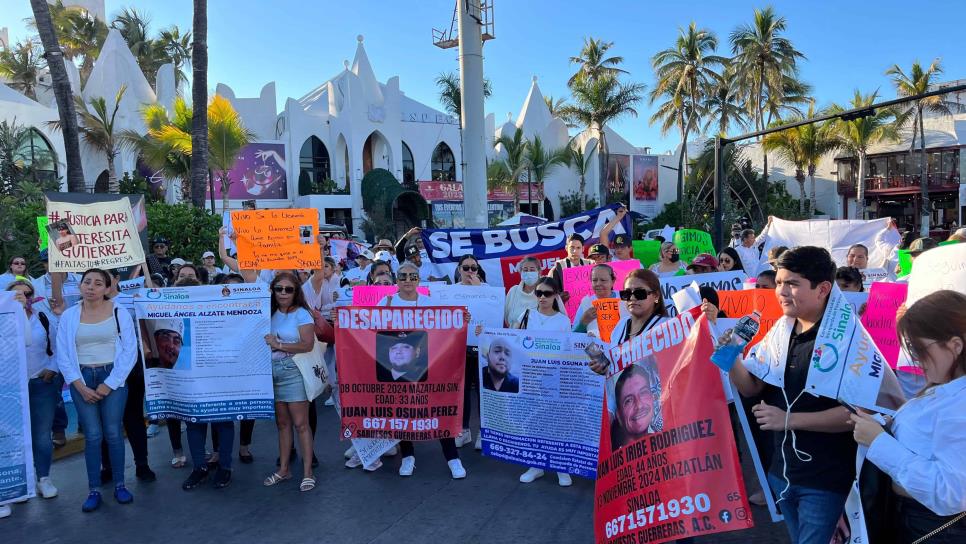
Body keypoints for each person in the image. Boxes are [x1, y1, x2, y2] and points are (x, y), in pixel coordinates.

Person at [725, 247, 856, 544]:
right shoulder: (780, 331)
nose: (781, 292)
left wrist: (789, 419)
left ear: (823, 289)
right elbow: (751, 388)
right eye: (780, 282)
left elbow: (857, 414)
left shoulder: (848, 337)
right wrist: (731, 356)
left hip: (825, 480)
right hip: (782, 475)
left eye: (792, 284)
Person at [850, 290, 966, 543]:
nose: (913, 358)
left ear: (955, 345)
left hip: (933, 527)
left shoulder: (960, 405)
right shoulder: (947, 387)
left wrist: (879, 441)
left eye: (918, 347)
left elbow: (951, 493)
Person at [55, 268, 138, 512]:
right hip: (81, 379)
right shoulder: (69, 316)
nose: (91, 287)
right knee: (92, 436)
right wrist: (78, 385)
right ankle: (93, 489)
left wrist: (109, 383)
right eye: (87, 282)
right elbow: (63, 354)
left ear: (107, 287)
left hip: (112, 376)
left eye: (98, 283)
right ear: (80, 286)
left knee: (113, 432)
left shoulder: (118, 311)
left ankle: (120, 485)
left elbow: (130, 351)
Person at [378, 262, 466, 480]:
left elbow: (447, 327)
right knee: (403, 412)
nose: (408, 280)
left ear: (418, 280)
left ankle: (453, 458)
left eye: (412, 276)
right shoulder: (386, 302)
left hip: (429, 365)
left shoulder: (430, 302)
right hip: (397, 366)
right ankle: (408, 456)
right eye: (403, 276)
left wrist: (462, 321)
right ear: (396, 279)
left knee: (437, 408)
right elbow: (370, 329)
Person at [514, 276, 573, 487]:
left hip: (554, 378)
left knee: (557, 422)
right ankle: (536, 465)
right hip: (529, 377)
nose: (542, 297)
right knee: (533, 421)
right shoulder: (526, 315)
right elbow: (511, 338)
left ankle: (561, 466)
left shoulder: (563, 321)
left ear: (556, 295)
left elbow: (569, 350)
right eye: (538, 293)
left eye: (547, 293)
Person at [262, 272, 318, 492]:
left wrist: (279, 345)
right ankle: (284, 469)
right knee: (282, 424)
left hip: (293, 371)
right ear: (273, 291)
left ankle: (307, 472)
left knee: (301, 424)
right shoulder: (270, 312)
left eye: (288, 289)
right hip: (272, 372)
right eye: (279, 289)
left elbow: (307, 345)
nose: (283, 293)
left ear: (296, 292)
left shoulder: (302, 314)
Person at [7, 280, 61, 500]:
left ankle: (43, 479)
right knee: (12, 436)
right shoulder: (2, 321)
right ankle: (17, 483)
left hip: (40, 383)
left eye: (26, 294)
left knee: (41, 435)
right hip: (10, 388)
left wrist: (52, 368)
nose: (22, 298)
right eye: (15, 294)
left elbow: (58, 346)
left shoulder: (43, 317)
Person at [452, 254, 487, 449]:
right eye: (466, 268)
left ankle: (483, 432)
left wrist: (477, 290)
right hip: (459, 348)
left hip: (481, 348)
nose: (470, 272)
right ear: (459, 270)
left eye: (474, 268)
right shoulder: (451, 291)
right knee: (462, 391)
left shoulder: (488, 290)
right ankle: (463, 430)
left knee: (482, 391)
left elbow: (493, 313)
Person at [610, 362, 662, 450]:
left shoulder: (661, 442)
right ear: (619, 416)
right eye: (628, 400)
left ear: (652, 397)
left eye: (643, 392)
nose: (639, 405)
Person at [573, 264, 627, 336]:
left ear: (613, 281)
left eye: (603, 280)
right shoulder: (586, 303)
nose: (598, 283)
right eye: (594, 280)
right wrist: (583, 323)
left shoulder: (624, 299)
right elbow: (573, 336)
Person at [504, 256, 540, 328]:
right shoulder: (513, 291)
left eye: (532, 270)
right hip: (515, 337)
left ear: (538, 272)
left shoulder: (544, 292)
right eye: (525, 270)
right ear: (521, 272)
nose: (528, 273)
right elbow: (506, 319)